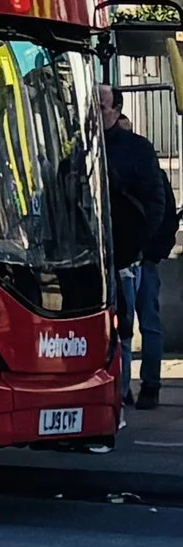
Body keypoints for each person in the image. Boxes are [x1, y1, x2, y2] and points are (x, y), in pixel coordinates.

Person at [100, 85, 176, 409]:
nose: (95, 112)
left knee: (146, 319)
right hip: (106, 255)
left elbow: (159, 205)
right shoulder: (88, 146)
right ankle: (119, 387)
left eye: (101, 107)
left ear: (117, 111)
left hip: (139, 254)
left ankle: (150, 385)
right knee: (118, 325)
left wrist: (145, 248)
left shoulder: (139, 151)